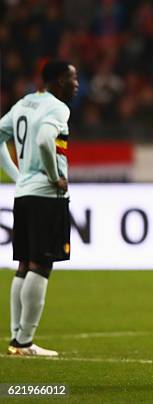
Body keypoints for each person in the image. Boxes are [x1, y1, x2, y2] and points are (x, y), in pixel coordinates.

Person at [0, 60, 79, 356]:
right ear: (58, 81)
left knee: (24, 265)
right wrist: (53, 175)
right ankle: (24, 341)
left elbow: (0, 134)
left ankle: (16, 338)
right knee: (41, 265)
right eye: (73, 79)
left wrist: (17, 175)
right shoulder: (57, 108)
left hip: (23, 195)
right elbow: (47, 140)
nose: (76, 84)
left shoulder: (24, 103)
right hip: (46, 196)